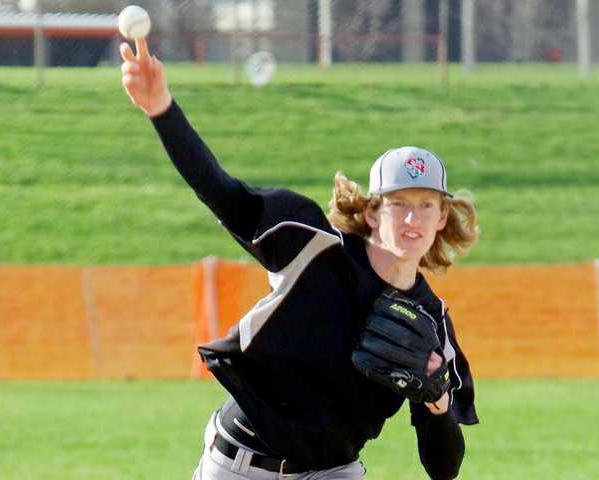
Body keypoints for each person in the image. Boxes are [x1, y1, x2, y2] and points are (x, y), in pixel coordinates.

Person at [120, 42, 479, 480]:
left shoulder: (431, 321)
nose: (411, 219)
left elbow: (444, 468)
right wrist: (162, 109)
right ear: (371, 212)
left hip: (334, 471)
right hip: (240, 463)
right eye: (398, 204)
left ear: (441, 218)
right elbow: (220, 191)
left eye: (426, 206)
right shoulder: (312, 247)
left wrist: (437, 400)